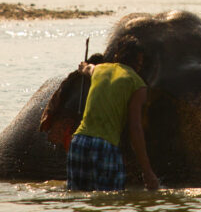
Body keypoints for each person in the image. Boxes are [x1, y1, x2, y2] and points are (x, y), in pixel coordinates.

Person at [67, 36, 160, 191]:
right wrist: (147, 172)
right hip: (105, 146)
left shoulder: (99, 69)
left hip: (79, 142)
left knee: (78, 199)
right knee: (110, 203)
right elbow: (135, 128)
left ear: (116, 55)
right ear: (139, 62)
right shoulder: (138, 84)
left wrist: (83, 66)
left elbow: (86, 69)